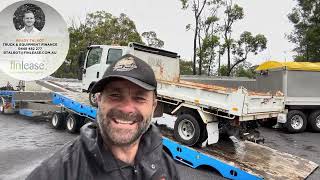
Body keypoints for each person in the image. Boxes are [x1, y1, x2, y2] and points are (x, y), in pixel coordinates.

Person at [26, 54, 180, 180]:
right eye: (115, 95)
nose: (126, 109)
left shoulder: (165, 166)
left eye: (139, 98)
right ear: (98, 100)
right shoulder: (61, 170)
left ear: (153, 105)